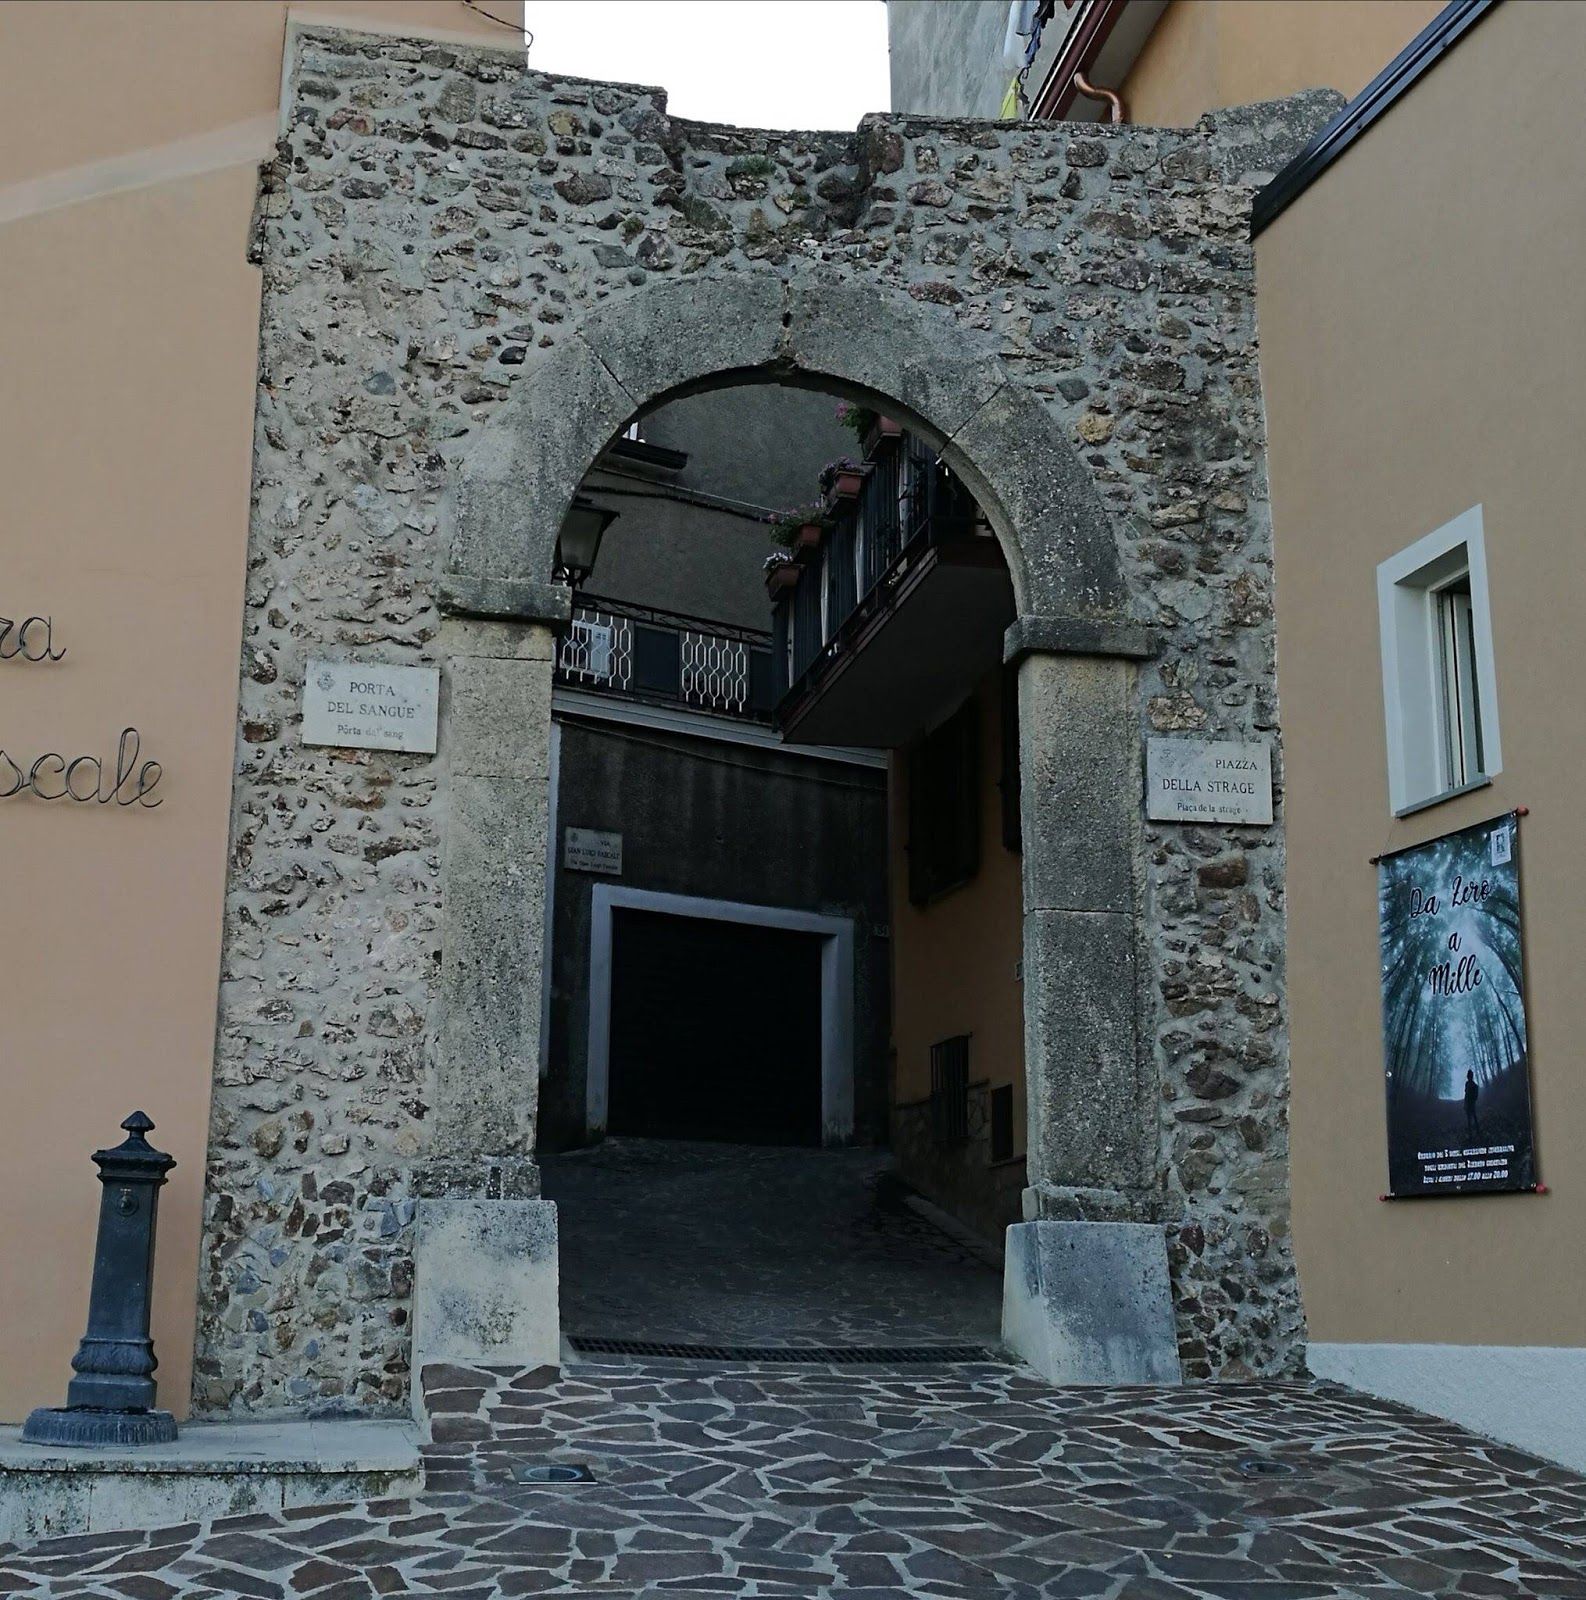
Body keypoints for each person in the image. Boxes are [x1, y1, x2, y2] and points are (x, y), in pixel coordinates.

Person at [1463, 1070, 1483, 1142]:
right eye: (1468, 1075)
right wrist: (1465, 1103)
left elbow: (1475, 1096)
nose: (1468, 1077)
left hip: (1471, 1104)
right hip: (1468, 1103)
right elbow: (1466, 1093)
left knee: (1473, 1118)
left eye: (1469, 1075)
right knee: (1470, 1119)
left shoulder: (1474, 1085)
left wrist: (1471, 1101)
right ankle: (1472, 1135)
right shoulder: (1468, 1084)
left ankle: (1477, 1133)